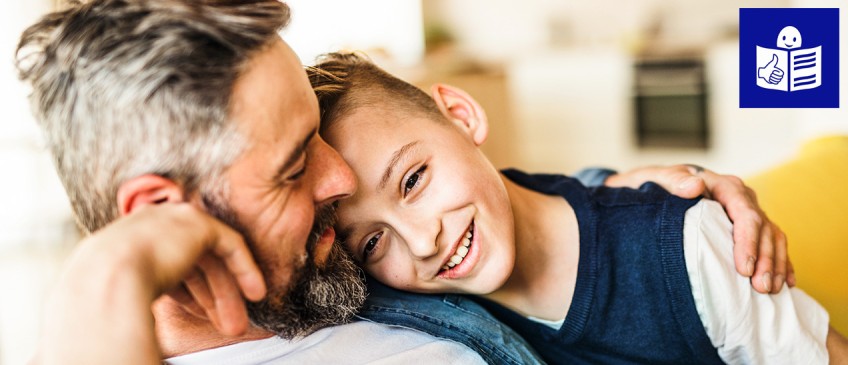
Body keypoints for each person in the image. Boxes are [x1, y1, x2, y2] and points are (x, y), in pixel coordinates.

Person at [17, 1, 797, 363]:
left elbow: (497, 215)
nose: (338, 177)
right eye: (294, 166)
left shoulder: (321, 271)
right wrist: (101, 278)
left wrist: (629, 209)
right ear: (158, 212)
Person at [307, 52, 848, 364]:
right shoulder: (425, 316)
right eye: (373, 242)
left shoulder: (687, 246)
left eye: (414, 180)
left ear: (461, 115)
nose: (422, 241)